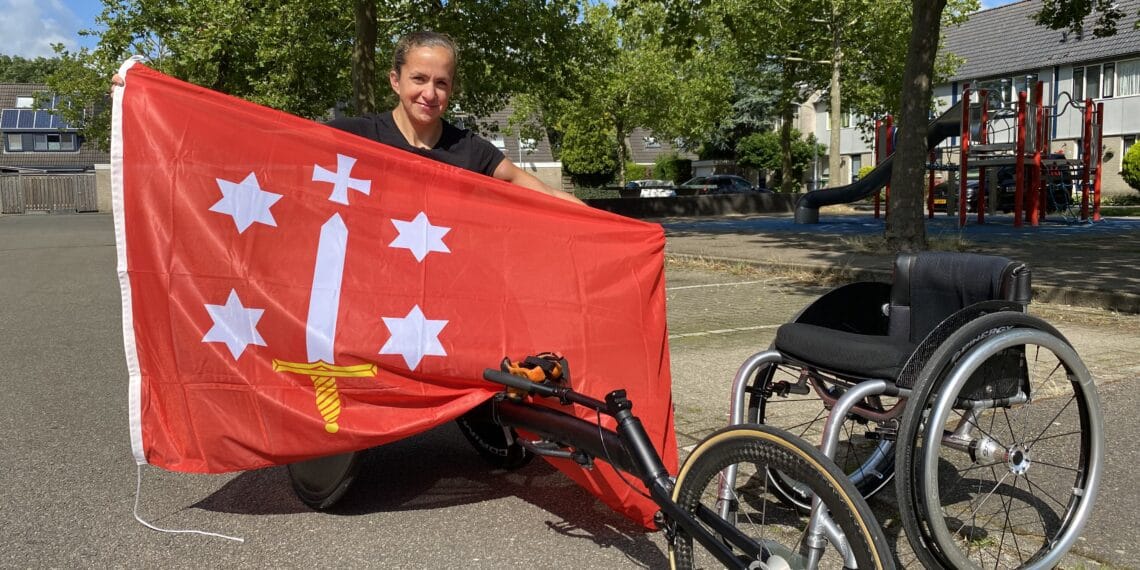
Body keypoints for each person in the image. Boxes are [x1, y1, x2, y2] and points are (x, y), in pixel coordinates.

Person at [326, 31, 583, 205]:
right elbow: (291, 152)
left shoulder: (471, 151)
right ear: (395, 81)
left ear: (451, 88)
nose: (429, 93)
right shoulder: (354, 136)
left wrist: (617, 231)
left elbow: (547, 194)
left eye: (441, 83)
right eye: (419, 79)